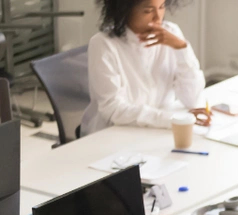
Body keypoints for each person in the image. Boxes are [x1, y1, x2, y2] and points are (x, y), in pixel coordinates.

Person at [80, 0, 212, 136]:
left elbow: (192, 98)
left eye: (161, 7)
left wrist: (182, 48)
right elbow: (113, 109)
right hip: (115, 134)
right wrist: (170, 119)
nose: (158, 17)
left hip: (157, 131)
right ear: (125, 11)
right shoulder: (103, 44)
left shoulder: (171, 33)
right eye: (148, 11)